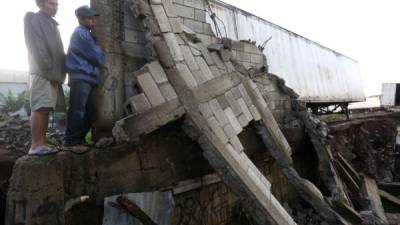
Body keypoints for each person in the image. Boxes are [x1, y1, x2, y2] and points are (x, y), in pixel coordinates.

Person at [24, 0, 66, 156]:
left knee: (46, 108)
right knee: (40, 108)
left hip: (51, 73)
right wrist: (49, 67)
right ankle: (36, 145)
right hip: (43, 72)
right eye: (51, 3)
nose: (55, 7)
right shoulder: (35, 20)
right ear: (40, 4)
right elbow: (37, 47)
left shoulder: (50, 23)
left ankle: (42, 144)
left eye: (56, 4)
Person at [63, 5, 105, 150]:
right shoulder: (81, 34)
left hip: (89, 78)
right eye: (89, 18)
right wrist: (100, 51)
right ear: (80, 19)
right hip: (81, 77)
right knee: (78, 109)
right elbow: (97, 58)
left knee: (91, 111)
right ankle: (71, 141)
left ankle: (79, 138)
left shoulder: (87, 34)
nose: (93, 20)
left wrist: (98, 51)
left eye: (93, 17)